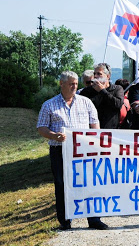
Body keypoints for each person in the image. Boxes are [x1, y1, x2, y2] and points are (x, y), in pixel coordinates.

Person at [37, 71, 107, 230]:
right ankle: (65, 221)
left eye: (76, 83)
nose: (75, 86)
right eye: (71, 84)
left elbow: (95, 124)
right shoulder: (49, 105)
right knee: (61, 185)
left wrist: (94, 139)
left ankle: (94, 219)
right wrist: (54, 136)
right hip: (59, 151)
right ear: (61, 84)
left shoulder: (86, 102)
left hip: (83, 151)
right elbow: (41, 127)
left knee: (89, 183)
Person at [80, 63, 124, 129]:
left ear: (108, 76)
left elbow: (118, 104)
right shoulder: (87, 91)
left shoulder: (117, 89)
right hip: (91, 132)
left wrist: (102, 91)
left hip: (111, 131)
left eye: (99, 74)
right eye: (94, 74)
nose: (95, 76)